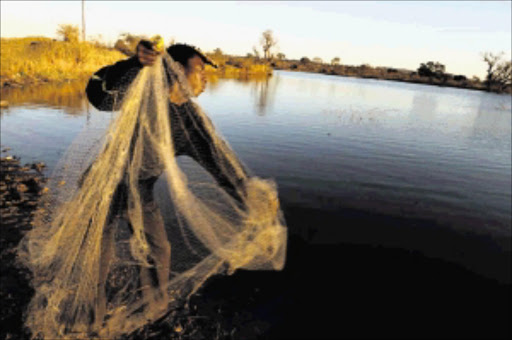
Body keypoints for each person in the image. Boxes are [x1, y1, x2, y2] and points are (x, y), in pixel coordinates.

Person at [85, 40, 250, 328]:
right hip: (104, 186)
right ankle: (89, 319)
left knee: (158, 249)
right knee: (97, 255)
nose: (206, 78)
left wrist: (250, 198)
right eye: (199, 70)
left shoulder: (191, 119)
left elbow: (220, 163)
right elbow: (97, 93)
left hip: (142, 190)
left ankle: (153, 312)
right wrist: (135, 63)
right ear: (176, 72)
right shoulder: (142, 93)